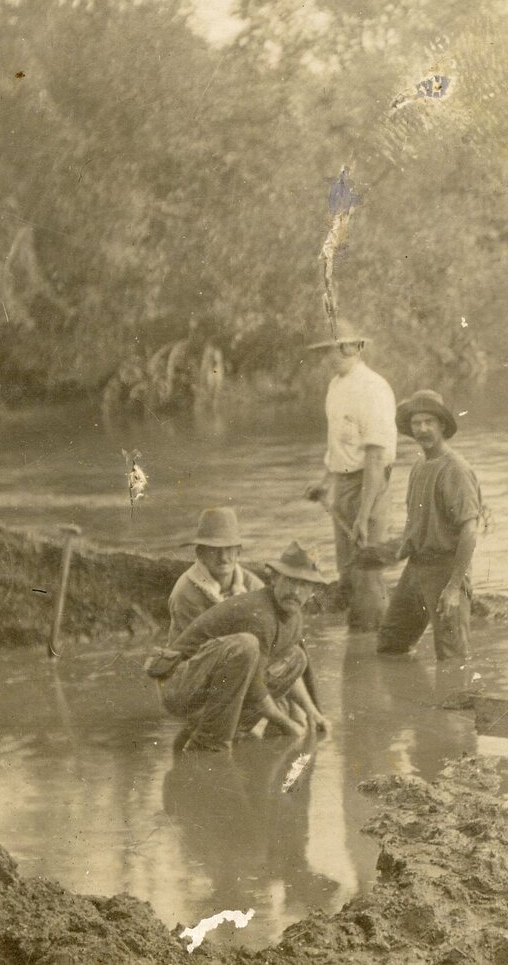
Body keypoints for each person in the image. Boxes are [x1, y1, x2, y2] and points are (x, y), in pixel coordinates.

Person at [147, 543, 332, 751]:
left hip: (207, 685)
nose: (296, 591)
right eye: (290, 581)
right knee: (246, 646)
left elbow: (289, 670)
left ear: (313, 591)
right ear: (275, 578)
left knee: (297, 657)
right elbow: (255, 687)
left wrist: (311, 711)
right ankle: (208, 743)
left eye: (304, 585)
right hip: (177, 686)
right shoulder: (259, 614)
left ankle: (228, 729)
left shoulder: (294, 616)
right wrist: (287, 724)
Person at [302, 321, 397, 630]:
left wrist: (364, 512)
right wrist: (325, 483)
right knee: (347, 569)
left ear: (357, 347)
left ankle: (377, 647)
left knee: (367, 569)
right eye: (329, 349)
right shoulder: (335, 386)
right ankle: (359, 642)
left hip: (369, 484)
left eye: (342, 347)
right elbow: (338, 446)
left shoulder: (372, 388)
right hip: (343, 484)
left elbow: (374, 456)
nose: (335, 354)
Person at [377, 390, 482, 662]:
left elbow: (470, 531)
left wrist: (454, 587)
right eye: (416, 423)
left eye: (428, 422)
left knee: (453, 657)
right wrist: (390, 552)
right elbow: (417, 522)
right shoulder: (419, 464)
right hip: (417, 566)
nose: (422, 429)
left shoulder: (455, 469)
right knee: (391, 642)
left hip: (446, 569)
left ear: (442, 425)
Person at [167, 507, 261, 634]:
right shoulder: (185, 593)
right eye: (214, 550)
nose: (223, 558)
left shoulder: (253, 585)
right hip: (194, 651)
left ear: (238, 553)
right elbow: (192, 646)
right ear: (200, 554)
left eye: (228, 549)